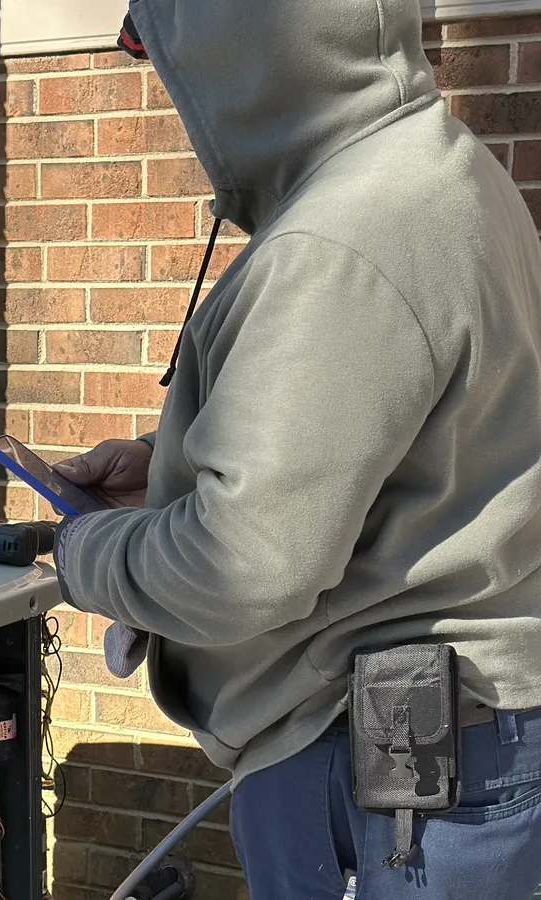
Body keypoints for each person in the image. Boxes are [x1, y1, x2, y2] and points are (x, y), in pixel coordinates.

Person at [51, 0, 541, 897]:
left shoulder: (346, 233)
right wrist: (173, 462)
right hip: (458, 747)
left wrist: (81, 555)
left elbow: (242, 565)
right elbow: (414, 425)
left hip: (388, 771)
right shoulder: (445, 169)